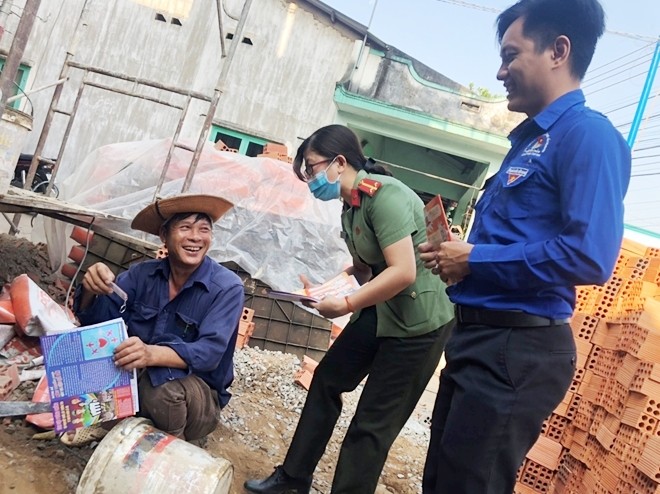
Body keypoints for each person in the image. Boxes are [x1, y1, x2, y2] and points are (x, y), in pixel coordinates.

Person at [419, 1, 631, 493]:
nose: (500, 71)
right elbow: (522, 242)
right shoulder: (530, 142)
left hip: (518, 348)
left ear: (559, 50)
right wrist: (465, 265)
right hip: (481, 339)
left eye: (511, 54)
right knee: (443, 481)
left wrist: (477, 258)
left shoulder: (588, 136)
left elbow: (590, 255)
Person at [244, 124, 454, 494]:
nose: (310, 180)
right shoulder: (352, 205)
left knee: (372, 424)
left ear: (339, 162)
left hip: (419, 324)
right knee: (326, 381)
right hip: (382, 310)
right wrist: (324, 289)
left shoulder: (383, 197)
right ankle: (292, 480)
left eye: (312, 168)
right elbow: (364, 268)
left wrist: (345, 304)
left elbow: (403, 272)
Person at [72, 194, 245, 444]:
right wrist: (90, 289)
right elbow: (99, 326)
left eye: (203, 229)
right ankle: (110, 421)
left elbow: (209, 353)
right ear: (164, 236)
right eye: (185, 228)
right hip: (137, 380)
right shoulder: (141, 275)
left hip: (195, 397)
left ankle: (174, 447)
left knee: (162, 383)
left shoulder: (227, 288)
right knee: (87, 352)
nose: (195, 237)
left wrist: (151, 354)